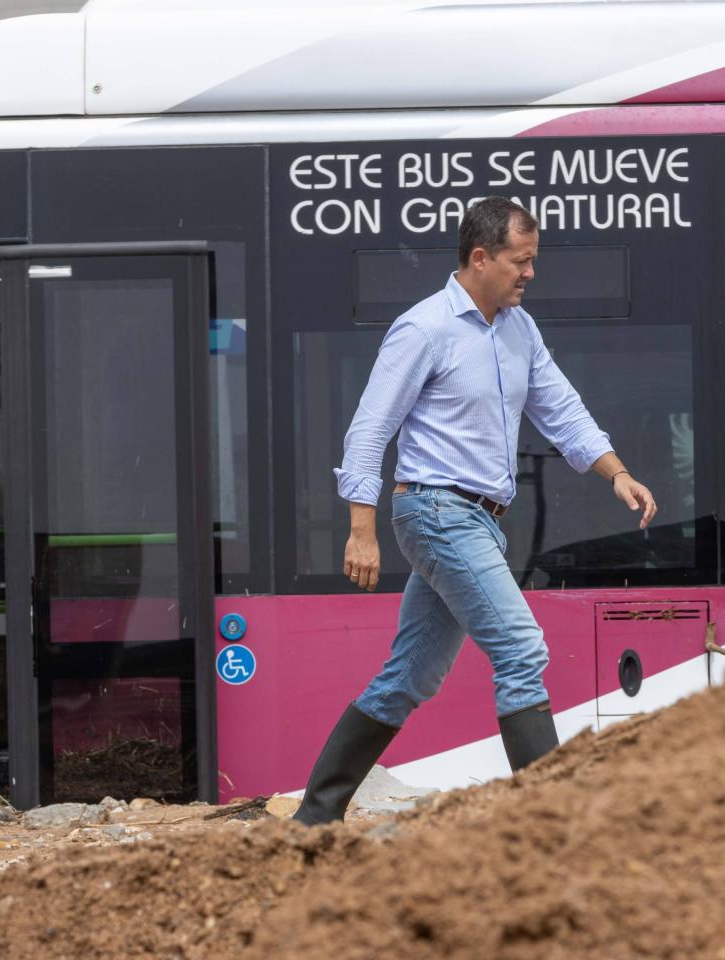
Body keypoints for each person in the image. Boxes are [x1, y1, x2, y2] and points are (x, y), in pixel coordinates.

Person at [294, 197, 657, 825]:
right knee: (520, 648)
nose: (531, 274)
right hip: (435, 511)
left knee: (410, 676)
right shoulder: (424, 328)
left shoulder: (520, 329)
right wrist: (361, 529)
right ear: (481, 257)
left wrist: (616, 472)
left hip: (480, 520)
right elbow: (368, 431)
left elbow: (561, 410)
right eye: (521, 261)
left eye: (533, 261)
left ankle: (314, 820)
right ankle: (548, 825)